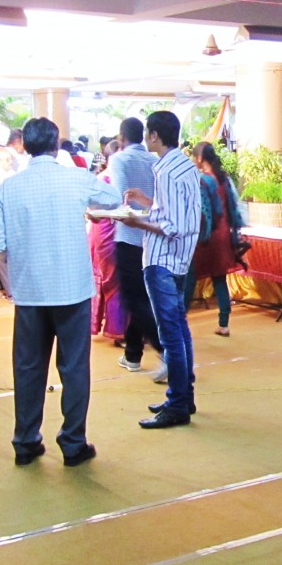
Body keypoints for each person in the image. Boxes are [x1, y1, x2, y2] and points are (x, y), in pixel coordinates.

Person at [0, 117, 121, 466]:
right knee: (74, 367)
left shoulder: (9, 187)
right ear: (55, 144)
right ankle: (73, 442)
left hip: (30, 291)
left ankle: (26, 441)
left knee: (29, 367)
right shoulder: (75, 178)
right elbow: (110, 197)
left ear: (25, 146)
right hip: (71, 289)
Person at [122, 111, 202, 429]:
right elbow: (177, 212)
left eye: (147, 134)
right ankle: (184, 395)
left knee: (171, 335)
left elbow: (172, 225)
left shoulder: (167, 169)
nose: (145, 139)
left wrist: (135, 220)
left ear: (155, 135)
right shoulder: (184, 164)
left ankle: (178, 403)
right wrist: (148, 202)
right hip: (180, 259)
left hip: (162, 260)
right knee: (179, 332)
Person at [108, 117, 166, 381]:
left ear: (121, 138)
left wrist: (106, 212)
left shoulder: (120, 160)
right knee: (142, 299)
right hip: (153, 238)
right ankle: (132, 354)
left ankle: (165, 350)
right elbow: (158, 204)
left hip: (130, 236)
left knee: (134, 300)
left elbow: (122, 200)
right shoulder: (155, 161)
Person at [184, 142, 244, 337]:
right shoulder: (224, 178)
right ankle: (224, 323)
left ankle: (180, 319)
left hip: (206, 236)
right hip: (224, 234)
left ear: (200, 158)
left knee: (190, 277)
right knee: (219, 278)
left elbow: (201, 212)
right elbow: (233, 207)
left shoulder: (203, 181)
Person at [89, 140, 126, 343]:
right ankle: (117, 330)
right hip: (106, 233)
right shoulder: (104, 179)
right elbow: (92, 210)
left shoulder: (116, 178)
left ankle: (119, 328)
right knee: (114, 281)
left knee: (117, 280)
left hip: (114, 231)